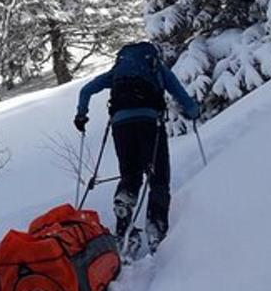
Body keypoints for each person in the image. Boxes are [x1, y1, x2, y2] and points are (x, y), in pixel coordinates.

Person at [73, 42, 200, 255]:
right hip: (150, 122)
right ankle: (156, 227)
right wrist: (193, 111)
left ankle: (124, 219)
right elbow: (180, 94)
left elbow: (86, 90)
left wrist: (81, 115)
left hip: (120, 125)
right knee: (158, 177)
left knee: (130, 174)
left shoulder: (116, 73)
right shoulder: (156, 67)